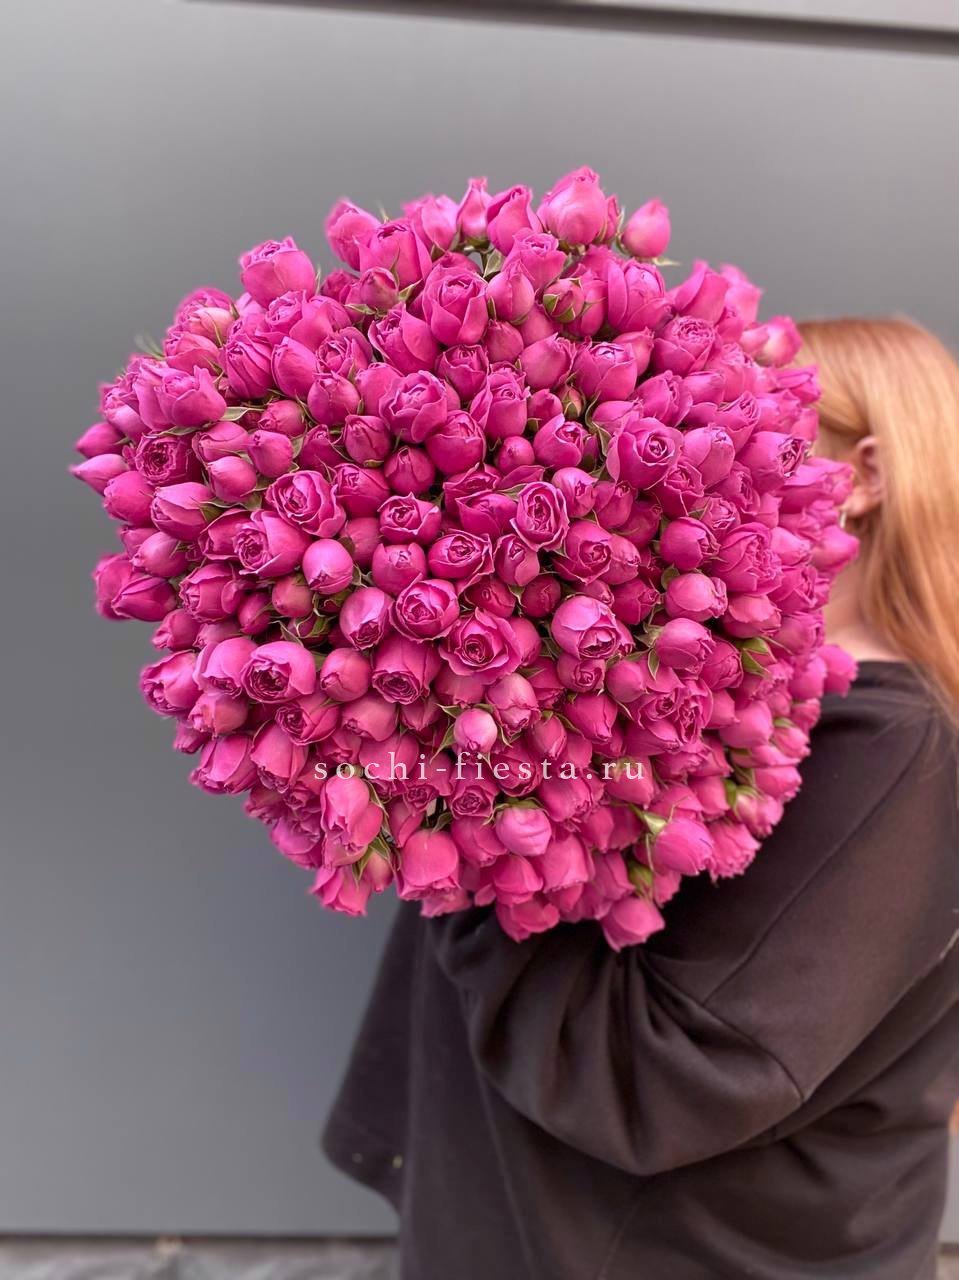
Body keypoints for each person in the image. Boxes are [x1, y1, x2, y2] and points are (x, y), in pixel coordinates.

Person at [323, 316, 959, 1279]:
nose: (717, 447)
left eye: (760, 423)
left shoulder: (897, 751)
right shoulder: (735, 688)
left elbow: (667, 1079)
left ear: (863, 475)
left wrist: (466, 835)